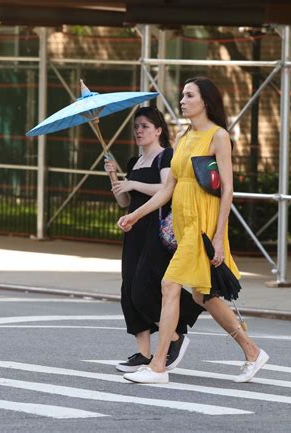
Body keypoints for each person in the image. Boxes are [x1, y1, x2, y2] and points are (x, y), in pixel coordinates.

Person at [118, 77, 269, 384]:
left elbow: (227, 190)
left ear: (205, 101)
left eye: (189, 95)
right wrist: (135, 214)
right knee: (204, 297)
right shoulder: (184, 137)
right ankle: (252, 351)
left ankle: (158, 366)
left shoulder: (218, 136)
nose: (182, 100)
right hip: (183, 222)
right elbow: (167, 190)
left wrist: (218, 236)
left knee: (169, 285)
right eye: (183, 96)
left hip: (204, 224)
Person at [105, 106, 204, 374]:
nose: (139, 131)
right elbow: (125, 201)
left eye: (145, 126)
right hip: (133, 228)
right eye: (136, 127)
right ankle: (144, 353)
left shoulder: (165, 157)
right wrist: (115, 177)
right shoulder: (133, 162)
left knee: (144, 288)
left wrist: (134, 184)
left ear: (158, 130)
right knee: (129, 289)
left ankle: (174, 336)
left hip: (155, 229)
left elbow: (166, 190)